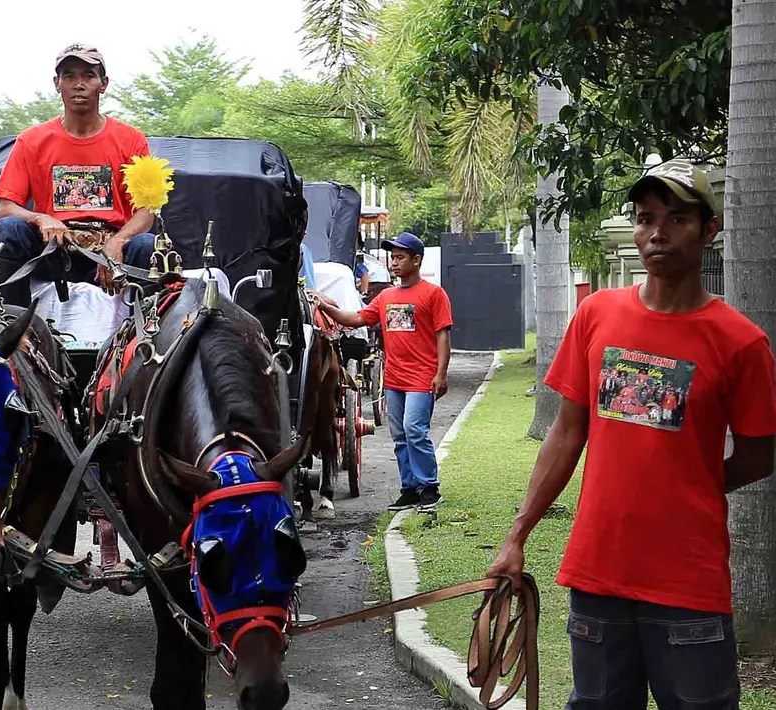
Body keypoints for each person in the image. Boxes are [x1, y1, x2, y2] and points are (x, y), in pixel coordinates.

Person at [488, 159, 776, 710]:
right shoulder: (597, 314)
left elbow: (760, 455)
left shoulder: (741, 342)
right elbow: (566, 436)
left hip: (688, 584)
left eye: (676, 219)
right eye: (645, 219)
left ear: (709, 230)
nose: (657, 234)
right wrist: (517, 535)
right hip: (599, 575)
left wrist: (688, 488)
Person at [0, 43, 158, 307]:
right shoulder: (32, 140)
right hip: (52, 254)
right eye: (69, 76)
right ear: (57, 83)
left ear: (103, 83)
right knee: (9, 230)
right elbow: (6, 209)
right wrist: (41, 218)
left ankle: (146, 338)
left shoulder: (130, 139)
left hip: (112, 255)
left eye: (88, 76)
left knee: (148, 245)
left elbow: (147, 209)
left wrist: (118, 242)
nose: (79, 84)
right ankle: (14, 326)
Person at [312, 231, 452, 512]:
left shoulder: (434, 294)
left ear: (417, 260)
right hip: (394, 378)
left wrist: (441, 374)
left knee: (415, 430)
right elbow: (356, 318)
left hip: (422, 377)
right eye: (392, 257)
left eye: (400, 257)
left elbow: (443, 336)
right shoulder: (386, 296)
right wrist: (324, 305)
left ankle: (429, 488)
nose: (394, 263)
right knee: (400, 435)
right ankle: (409, 489)